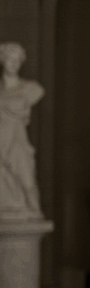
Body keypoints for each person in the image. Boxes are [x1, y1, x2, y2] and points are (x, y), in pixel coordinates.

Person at [0, 42, 45, 220]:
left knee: (26, 179)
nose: (13, 64)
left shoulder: (31, 88)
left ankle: (34, 209)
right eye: (9, 59)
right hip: (1, 141)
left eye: (17, 60)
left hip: (17, 142)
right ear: (2, 60)